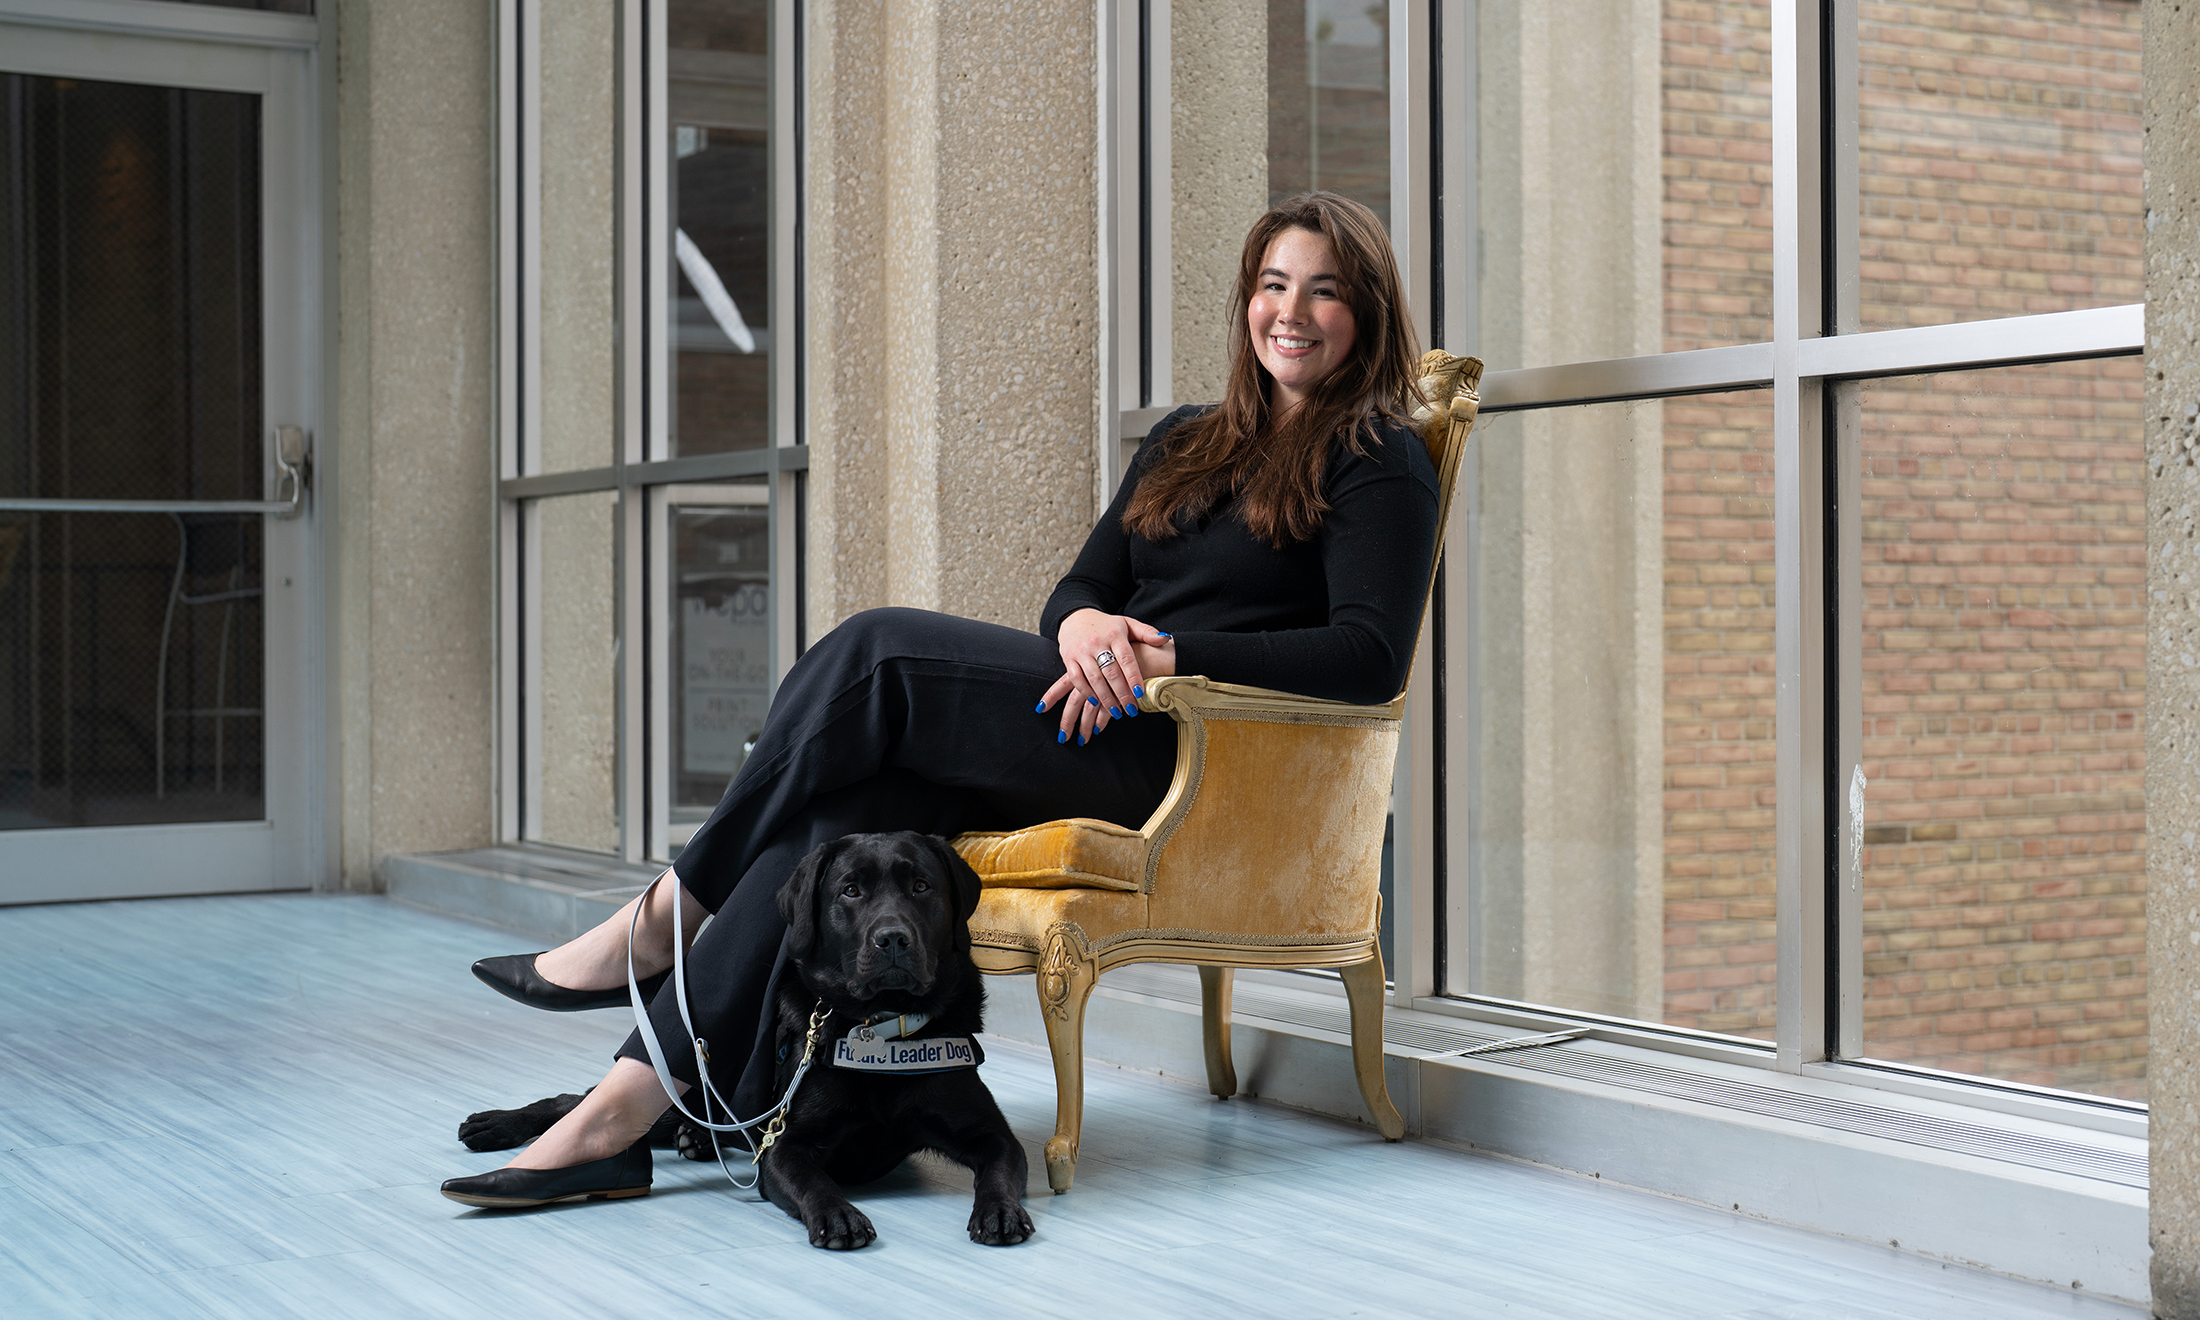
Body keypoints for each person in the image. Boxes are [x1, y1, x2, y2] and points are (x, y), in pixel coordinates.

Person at [440, 191, 1441, 1207]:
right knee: (834, 819)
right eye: (1273, 284)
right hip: (1079, 722)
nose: (1290, 312)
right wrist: (1083, 628)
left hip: (1182, 763)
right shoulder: (1187, 438)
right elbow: (1082, 585)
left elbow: (1367, 656)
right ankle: (622, 1114)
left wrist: (1164, 658)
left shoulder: (1379, 458)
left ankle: (660, 920)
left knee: (876, 650)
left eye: (1323, 292)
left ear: (1364, 312)